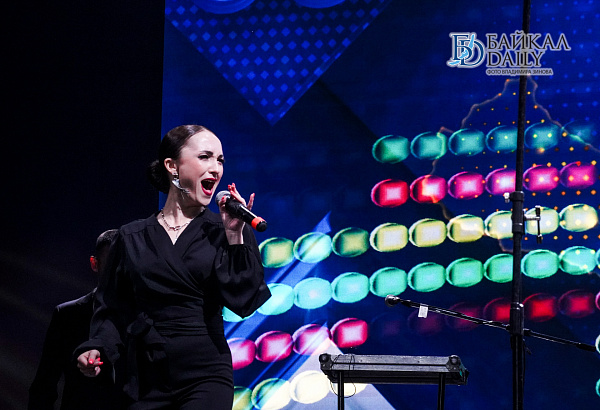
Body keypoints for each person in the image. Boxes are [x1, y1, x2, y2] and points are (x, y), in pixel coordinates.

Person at [75, 124, 271, 409]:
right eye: (205, 157)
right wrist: (97, 346)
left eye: (220, 160)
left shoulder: (226, 230)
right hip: (148, 376)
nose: (216, 168)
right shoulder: (132, 236)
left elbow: (245, 300)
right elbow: (113, 307)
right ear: (172, 166)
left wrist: (234, 236)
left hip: (206, 373)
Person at [29, 229, 122, 410]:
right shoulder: (67, 314)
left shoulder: (145, 314)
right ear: (95, 264)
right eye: (111, 263)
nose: (118, 271)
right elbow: (45, 383)